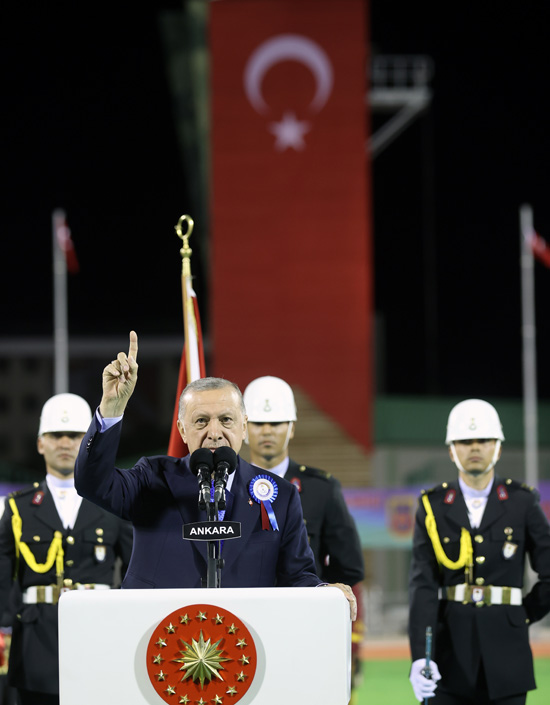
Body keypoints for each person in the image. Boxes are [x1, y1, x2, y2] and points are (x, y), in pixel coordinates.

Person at [74, 332, 357, 618]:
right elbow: (92, 483)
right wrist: (111, 409)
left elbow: (297, 577)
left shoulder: (280, 495)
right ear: (182, 430)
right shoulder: (152, 478)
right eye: (201, 421)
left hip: (243, 639)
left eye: (226, 420)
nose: (214, 432)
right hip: (157, 635)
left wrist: (324, 592)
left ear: (243, 427)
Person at [408, 398, 550, 705]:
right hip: (447, 659)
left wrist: (522, 614)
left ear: (498, 448)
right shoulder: (432, 506)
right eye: (464, 441)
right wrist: (420, 656)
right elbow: (423, 585)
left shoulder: (522, 502)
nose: (474, 447)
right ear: (451, 450)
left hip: (508, 659)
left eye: (484, 440)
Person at [0, 393, 134, 705]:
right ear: (40, 443)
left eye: (74, 435)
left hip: (99, 637)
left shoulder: (113, 504)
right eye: (55, 435)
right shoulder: (18, 508)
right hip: (34, 647)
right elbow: (2, 577)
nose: (64, 443)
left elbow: (134, 571)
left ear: (87, 441)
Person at [243, 375, 365, 691]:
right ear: (243, 428)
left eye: (276, 423)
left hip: (304, 629)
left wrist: (320, 598)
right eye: (258, 423)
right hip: (243, 625)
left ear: (292, 428)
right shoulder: (225, 488)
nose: (267, 431)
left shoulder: (322, 489)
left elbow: (349, 567)